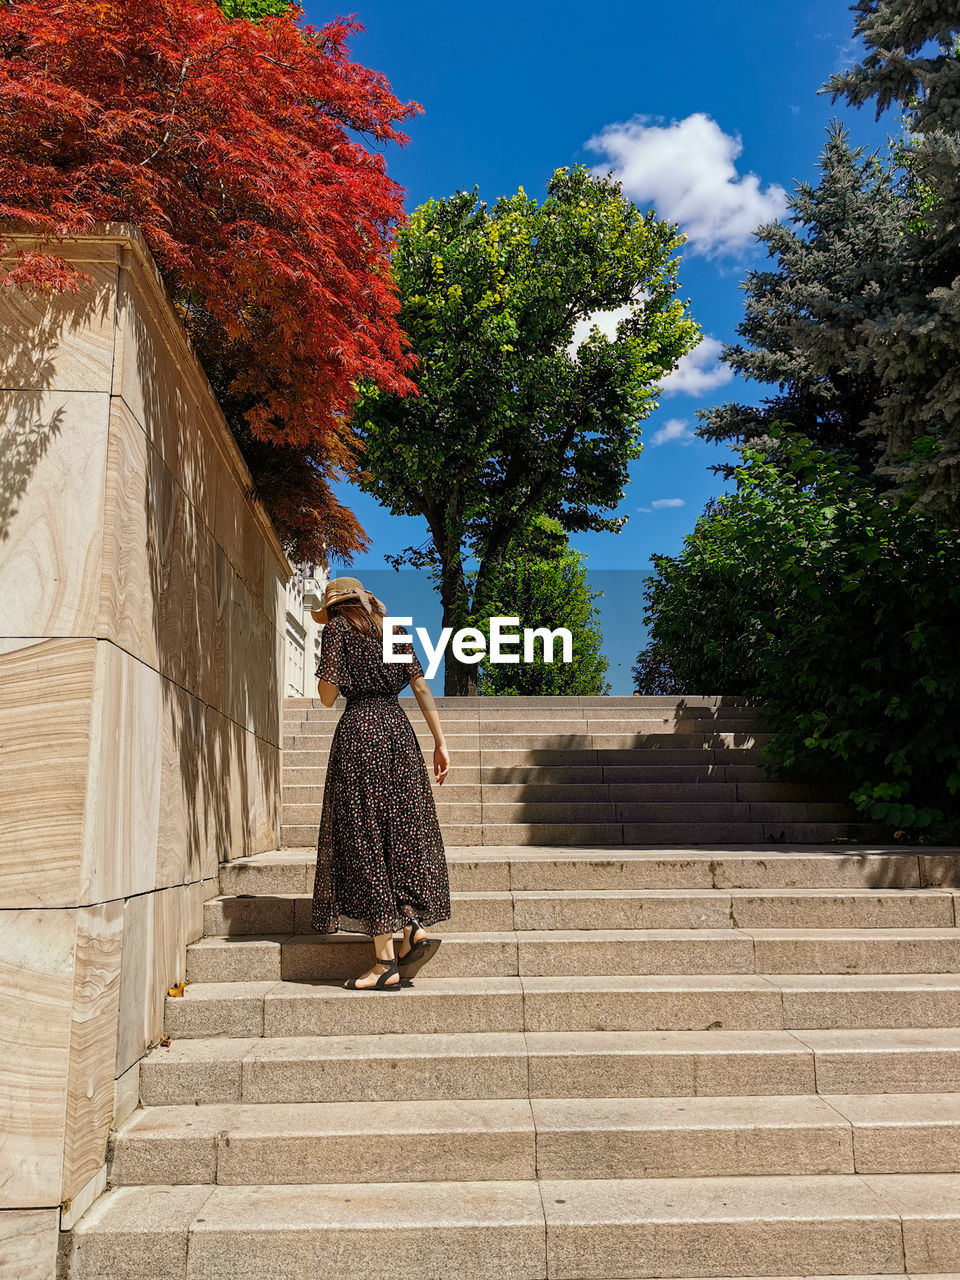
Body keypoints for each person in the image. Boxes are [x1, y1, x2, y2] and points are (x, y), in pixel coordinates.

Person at [309, 576, 451, 991]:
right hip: (399, 733)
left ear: (336, 607)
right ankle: (410, 924)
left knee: (365, 835)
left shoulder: (337, 629)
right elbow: (421, 686)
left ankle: (384, 961)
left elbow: (326, 696)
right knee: (400, 831)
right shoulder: (394, 630)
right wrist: (440, 743)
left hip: (360, 732)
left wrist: (335, 665)